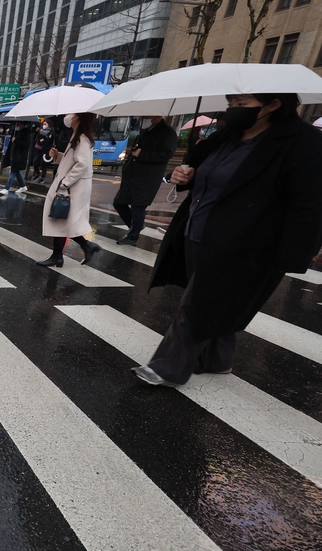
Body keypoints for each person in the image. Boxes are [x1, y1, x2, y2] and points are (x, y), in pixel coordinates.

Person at [133, 93, 322, 387]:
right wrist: (186, 176)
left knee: (197, 302)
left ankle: (168, 366)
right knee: (217, 300)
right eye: (231, 104)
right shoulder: (228, 136)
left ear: (273, 104)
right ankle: (216, 360)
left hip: (247, 241)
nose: (232, 110)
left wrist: (297, 251)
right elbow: (212, 177)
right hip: (198, 230)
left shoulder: (303, 142)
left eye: (242, 105)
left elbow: (308, 202)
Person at [36, 112, 102, 267]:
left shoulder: (82, 138)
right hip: (71, 186)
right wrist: (57, 156)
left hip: (74, 187)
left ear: (77, 117)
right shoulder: (77, 136)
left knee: (62, 219)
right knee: (60, 219)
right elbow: (72, 161)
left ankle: (75, 250)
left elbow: (82, 164)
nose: (68, 116)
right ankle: (64, 253)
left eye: (71, 113)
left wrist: (66, 183)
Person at [113, 116, 177, 245]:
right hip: (133, 175)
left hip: (147, 177)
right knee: (119, 202)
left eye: (148, 115)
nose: (145, 118)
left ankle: (133, 236)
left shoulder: (167, 132)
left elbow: (166, 154)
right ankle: (136, 226)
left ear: (157, 116)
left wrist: (142, 154)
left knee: (138, 206)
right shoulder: (146, 130)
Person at [0, 122, 30, 195]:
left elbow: (25, 144)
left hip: (19, 156)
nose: (17, 126)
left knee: (13, 171)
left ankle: (6, 188)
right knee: (16, 171)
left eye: (19, 124)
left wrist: (16, 140)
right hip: (13, 155)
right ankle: (23, 185)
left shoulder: (26, 133)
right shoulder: (15, 132)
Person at [31, 120, 54, 184]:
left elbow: (51, 141)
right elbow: (36, 139)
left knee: (43, 163)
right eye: (43, 124)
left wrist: (45, 140)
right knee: (35, 161)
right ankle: (37, 173)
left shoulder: (51, 132)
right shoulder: (40, 132)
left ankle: (42, 177)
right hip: (39, 148)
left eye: (45, 124)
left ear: (49, 124)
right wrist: (39, 140)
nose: (44, 125)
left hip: (46, 149)